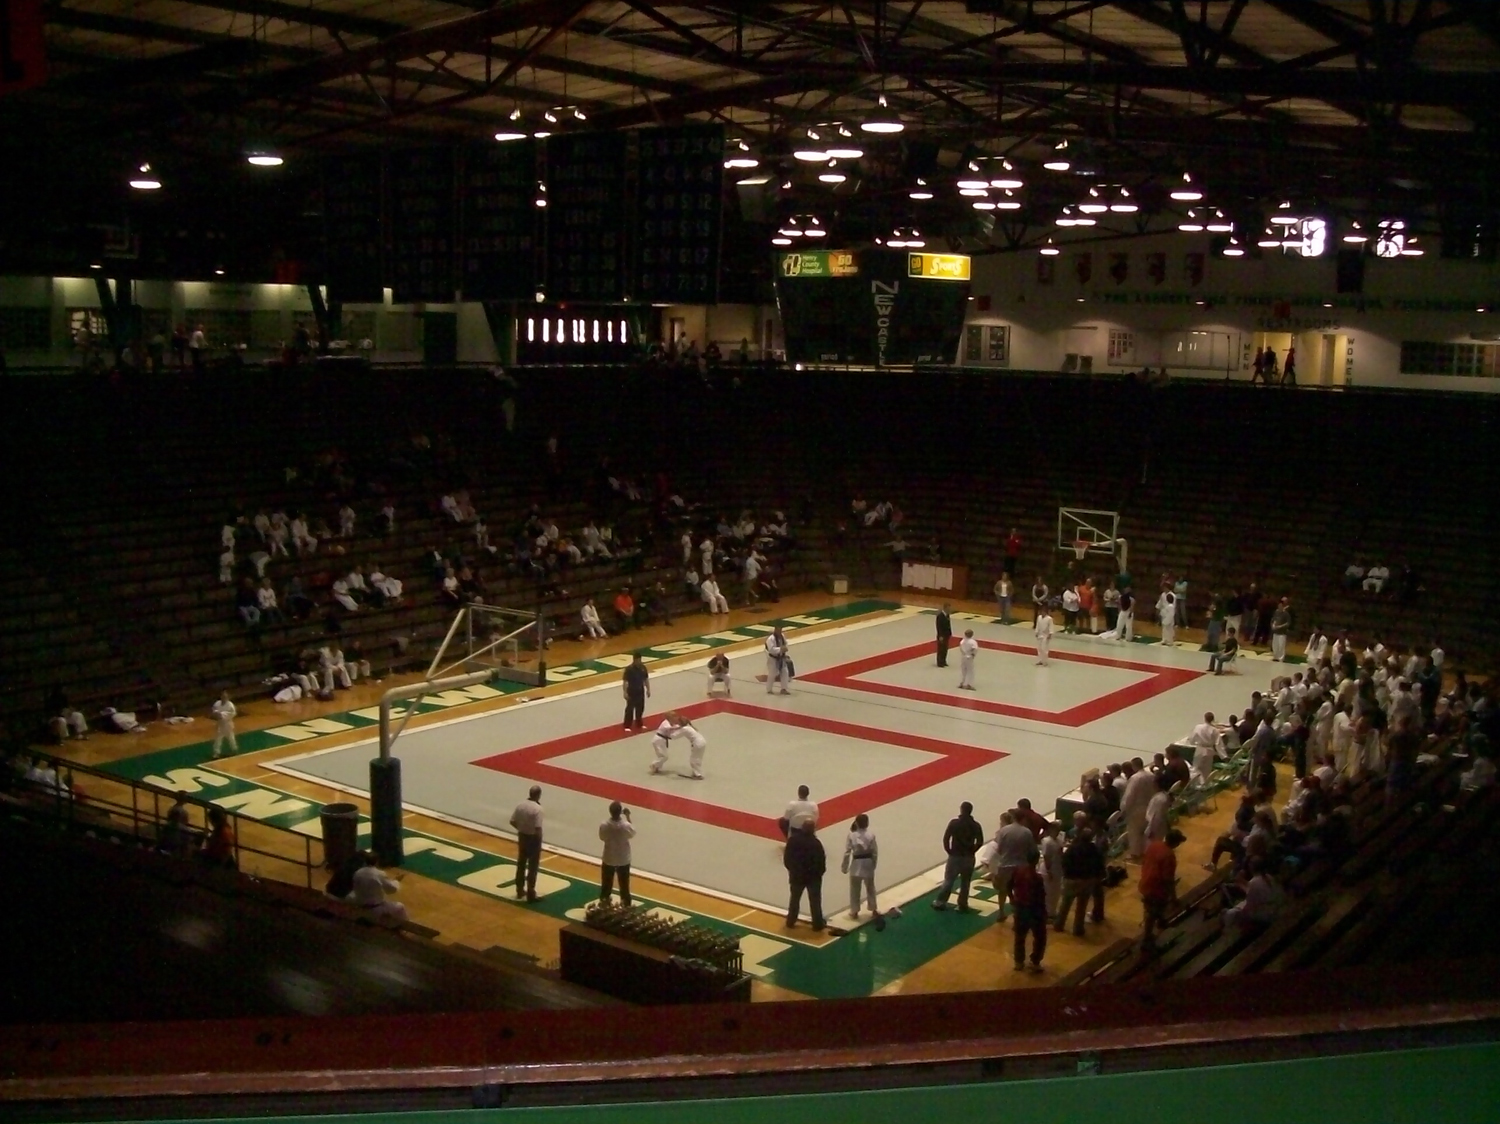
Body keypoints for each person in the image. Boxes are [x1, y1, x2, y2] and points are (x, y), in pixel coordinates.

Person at [932, 801, 984, 912]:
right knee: (965, 882)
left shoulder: (954, 823)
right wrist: (972, 850)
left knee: (949, 880)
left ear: (961, 810)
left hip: (955, 855)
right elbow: (980, 841)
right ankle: (962, 904)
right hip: (968, 857)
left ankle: (940, 902)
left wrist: (949, 850)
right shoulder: (975, 825)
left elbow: (946, 838)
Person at [1054, 827, 1105, 937]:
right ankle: (1078, 928)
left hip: (1071, 879)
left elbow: (1065, 861)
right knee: (1081, 906)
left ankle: (1059, 925)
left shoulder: (1073, 848)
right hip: (1086, 881)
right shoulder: (1094, 849)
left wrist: (1066, 874)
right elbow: (1099, 864)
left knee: (1065, 904)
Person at [1140, 828, 1186, 950]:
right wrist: (1173, 898)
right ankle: (1147, 939)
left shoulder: (1154, 845)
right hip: (1156, 888)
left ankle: (1160, 921)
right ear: (1175, 843)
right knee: (1152, 911)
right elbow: (1168, 880)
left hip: (1145, 882)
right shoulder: (1169, 855)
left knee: (1151, 909)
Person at [990, 811, 1039, 917]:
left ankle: (1001, 912)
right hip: (1021, 866)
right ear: (1023, 819)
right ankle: (1018, 913)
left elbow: (999, 849)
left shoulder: (1003, 831)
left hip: (1005, 865)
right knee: (1019, 891)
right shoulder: (1027, 832)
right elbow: (1032, 850)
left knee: (1002, 890)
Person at [784, 822, 826, 931]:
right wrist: (819, 874)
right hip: (813, 878)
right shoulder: (816, 843)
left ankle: (791, 921)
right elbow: (821, 862)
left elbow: (787, 858)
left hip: (797, 876)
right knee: (815, 901)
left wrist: (792, 870)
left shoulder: (793, 841)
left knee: (794, 899)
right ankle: (817, 924)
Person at [1010, 855, 1048, 973]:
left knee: (1020, 936)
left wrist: (1012, 898)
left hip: (1020, 908)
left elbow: (1008, 885)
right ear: (1036, 861)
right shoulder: (1037, 878)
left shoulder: (1017, 871)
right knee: (1040, 937)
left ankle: (1019, 962)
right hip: (1034, 910)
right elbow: (1041, 896)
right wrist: (1044, 912)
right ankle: (1035, 961)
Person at [349, 851, 408, 926]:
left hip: (359, 904)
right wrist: (396, 881)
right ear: (377, 862)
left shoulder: (358, 872)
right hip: (375, 908)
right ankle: (399, 927)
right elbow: (391, 889)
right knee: (400, 907)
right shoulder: (379, 874)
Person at [843, 813, 881, 926]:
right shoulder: (871, 835)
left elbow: (847, 852)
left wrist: (845, 866)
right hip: (868, 862)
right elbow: (875, 852)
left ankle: (854, 911)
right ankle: (873, 908)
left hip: (856, 862)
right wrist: (874, 864)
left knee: (855, 888)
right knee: (870, 887)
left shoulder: (851, 835)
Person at [509, 785, 544, 902]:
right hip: (533, 838)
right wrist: (539, 841)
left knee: (521, 863)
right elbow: (538, 828)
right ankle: (531, 892)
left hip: (522, 836)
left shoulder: (521, 805)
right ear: (539, 795)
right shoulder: (538, 809)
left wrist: (522, 828)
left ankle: (519, 889)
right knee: (533, 866)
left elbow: (512, 821)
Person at [598, 801, 635, 906]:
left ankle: (603, 907)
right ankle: (626, 908)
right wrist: (628, 816)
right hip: (623, 859)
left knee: (606, 886)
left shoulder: (604, 825)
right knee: (624, 887)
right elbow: (632, 833)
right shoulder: (625, 826)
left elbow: (602, 837)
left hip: (609, 858)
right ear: (620, 812)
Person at [1120, 756, 1155, 860]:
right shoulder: (1151, 775)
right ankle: (1145, 850)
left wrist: (1123, 808)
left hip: (1137, 809)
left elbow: (1129, 796)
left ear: (1134, 766)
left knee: (1134, 832)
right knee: (1145, 831)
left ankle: (1135, 853)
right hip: (1149, 806)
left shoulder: (1135, 778)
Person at [1038, 820, 1063, 921]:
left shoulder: (1059, 840)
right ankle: (1046, 913)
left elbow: (1060, 853)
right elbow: (1046, 857)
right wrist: (1049, 871)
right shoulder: (1047, 841)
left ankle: (1052, 911)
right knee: (1048, 892)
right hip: (1049, 870)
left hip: (1057, 868)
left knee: (1056, 892)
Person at [622, 653, 649, 731]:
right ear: (634, 660)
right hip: (631, 690)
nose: (639, 661)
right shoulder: (629, 669)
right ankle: (627, 725)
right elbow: (625, 681)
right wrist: (625, 692)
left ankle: (639, 723)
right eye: (637, 660)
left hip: (640, 690)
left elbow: (646, 679)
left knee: (640, 708)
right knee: (630, 708)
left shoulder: (643, 668)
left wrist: (648, 689)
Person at [210, 691, 237, 759]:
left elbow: (233, 713)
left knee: (230, 737)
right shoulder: (217, 703)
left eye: (225, 697)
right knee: (218, 739)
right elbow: (214, 709)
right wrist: (216, 713)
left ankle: (234, 749)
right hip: (220, 724)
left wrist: (222, 715)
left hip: (228, 724)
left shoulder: (230, 705)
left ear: (228, 698)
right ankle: (216, 752)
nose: (224, 698)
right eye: (223, 696)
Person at [765, 625, 791, 695]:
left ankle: (784, 689)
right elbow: (771, 649)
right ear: (775, 630)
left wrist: (785, 648)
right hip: (773, 659)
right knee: (772, 674)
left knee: (785, 672)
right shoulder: (771, 639)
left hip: (781, 658)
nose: (780, 632)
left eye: (781, 630)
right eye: (778, 630)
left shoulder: (782, 636)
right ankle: (769, 689)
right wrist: (780, 649)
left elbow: (786, 643)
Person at [1270, 597, 1293, 662]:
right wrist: (1272, 625)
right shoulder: (1276, 612)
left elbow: (1288, 623)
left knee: (1281, 645)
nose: (1279, 607)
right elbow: (1273, 619)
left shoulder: (1286, 614)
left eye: (1280, 606)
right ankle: (1275, 656)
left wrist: (1280, 626)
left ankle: (1281, 658)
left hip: (1282, 632)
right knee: (1275, 645)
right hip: (1276, 632)